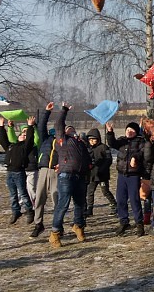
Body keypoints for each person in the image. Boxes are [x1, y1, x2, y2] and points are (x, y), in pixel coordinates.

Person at [50, 102, 92, 248]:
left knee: (80, 204)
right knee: (63, 204)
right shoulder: (63, 141)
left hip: (80, 177)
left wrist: (88, 169)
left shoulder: (81, 143)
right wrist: (64, 110)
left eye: (73, 129)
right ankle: (55, 233)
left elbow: (88, 159)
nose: (71, 131)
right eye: (69, 129)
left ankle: (78, 226)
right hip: (66, 176)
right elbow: (58, 124)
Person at [106, 120, 148, 237]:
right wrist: (110, 132)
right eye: (128, 130)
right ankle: (124, 221)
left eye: (132, 130)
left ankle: (139, 223)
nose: (129, 132)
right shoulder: (122, 141)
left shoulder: (140, 141)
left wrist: (135, 157)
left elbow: (143, 152)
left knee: (134, 200)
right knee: (120, 199)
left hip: (133, 175)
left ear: (136, 132)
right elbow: (112, 143)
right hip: (121, 174)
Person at [0, 115, 36, 225]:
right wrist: (2, 126)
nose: (23, 136)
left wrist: (30, 127)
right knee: (13, 195)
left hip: (19, 172)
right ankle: (16, 211)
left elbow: (30, 139)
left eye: (25, 135)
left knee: (23, 194)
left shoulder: (25, 148)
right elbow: (2, 139)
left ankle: (30, 211)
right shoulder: (11, 146)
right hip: (9, 172)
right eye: (21, 135)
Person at [30, 102, 59, 238]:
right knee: (39, 197)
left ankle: (57, 225)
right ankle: (38, 224)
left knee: (56, 198)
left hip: (56, 172)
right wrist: (47, 111)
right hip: (43, 170)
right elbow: (41, 126)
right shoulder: (45, 140)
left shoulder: (62, 143)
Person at [84, 128, 115, 217]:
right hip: (92, 175)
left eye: (94, 139)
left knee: (105, 191)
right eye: (90, 139)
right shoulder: (88, 149)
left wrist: (102, 169)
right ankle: (90, 209)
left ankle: (114, 205)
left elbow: (109, 160)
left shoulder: (103, 147)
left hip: (102, 175)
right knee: (90, 192)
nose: (92, 141)